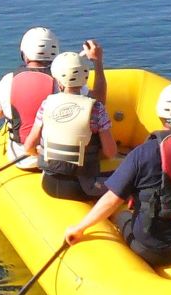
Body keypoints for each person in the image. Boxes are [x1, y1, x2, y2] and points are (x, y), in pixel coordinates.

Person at [64, 82, 171, 263]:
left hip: (151, 248)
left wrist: (79, 228)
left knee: (121, 215)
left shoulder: (144, 152)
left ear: (160, 113)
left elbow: (112, 200)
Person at [23, 51, 116, 202]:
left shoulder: (46, 105)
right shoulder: (96, 109)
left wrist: (41, 152)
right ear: (85, 78)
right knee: (130, 173)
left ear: (58, 81)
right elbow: (111, 152)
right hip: (85, 188)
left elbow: (28, 147)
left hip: (49, 184)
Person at [0, 27, 59, 166]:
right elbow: (97, 103)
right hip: (57, 159)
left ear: (24, 54)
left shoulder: (8, 80)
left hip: (21, 159)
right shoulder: (64, 81)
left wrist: (7, 109)